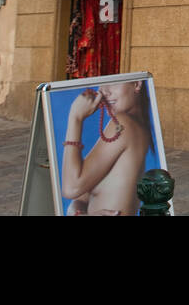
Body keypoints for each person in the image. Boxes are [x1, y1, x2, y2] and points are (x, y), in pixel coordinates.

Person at [61, 79, 152, 215]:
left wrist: (75, 117)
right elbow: (80, 198)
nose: (103, 91)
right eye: (102, 82)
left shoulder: (124, 124)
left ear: (137, 84)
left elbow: (71, 188)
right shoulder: (131, 125)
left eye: (113, 82)